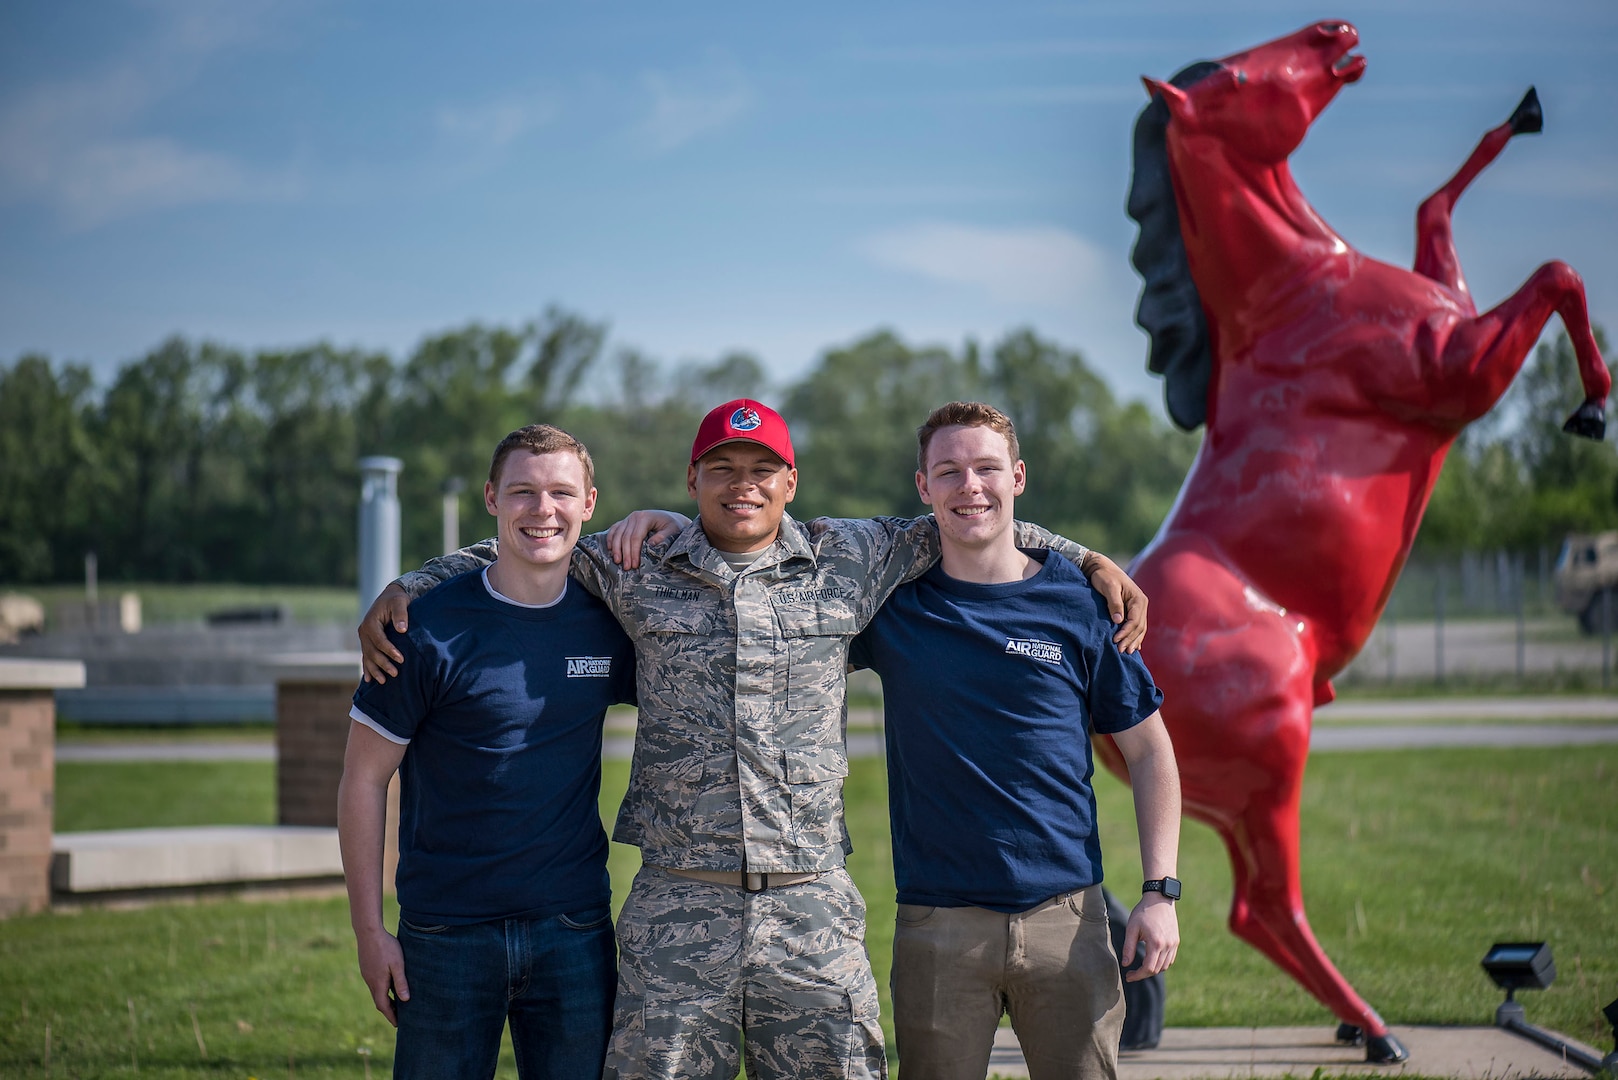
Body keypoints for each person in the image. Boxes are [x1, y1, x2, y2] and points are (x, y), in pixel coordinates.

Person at [358, 399, 1148, 1080]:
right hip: (679, 902)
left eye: (763, 469)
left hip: (810, 905)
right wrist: (411, 585)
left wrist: (1083, 558)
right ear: (693, 480)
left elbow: (973, 515)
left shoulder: (852, 557)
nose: (744, 485)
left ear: (790, 482)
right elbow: (534, 537)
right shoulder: (636, 562)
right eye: (723, 468)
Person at [847, 401, 1181, 1080]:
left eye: (986, 468)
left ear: (1018, 476)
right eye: (948, 471)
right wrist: (671, 525)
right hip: (937, 924)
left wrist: (1159, 892)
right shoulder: (890, 607)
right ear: (923, 488)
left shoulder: (1086, 604)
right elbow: (767, 548)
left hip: (1069, 918)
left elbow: (1150, 754)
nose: (970, 486)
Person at [339, 424, 637, 1080]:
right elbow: (363, 782)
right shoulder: (420, 628)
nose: (542, 509)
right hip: (445, 936)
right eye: (523, 491)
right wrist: (369, 932)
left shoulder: (612, 622)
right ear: (491, 498)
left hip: (573, 931)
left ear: (589, 504)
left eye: (561, 492)